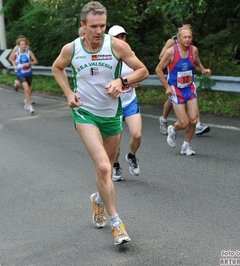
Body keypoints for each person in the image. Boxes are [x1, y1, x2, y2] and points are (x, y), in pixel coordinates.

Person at [52, 1, 148, 245]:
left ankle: (97, 200)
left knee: (103, 169)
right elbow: (57, 68)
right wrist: (68, 93)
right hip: (85, 114)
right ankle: (118, 225)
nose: (98, 31)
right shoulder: (71, 49)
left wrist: (122, 82)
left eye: (102, 26)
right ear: (82, 26)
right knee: (105, 167)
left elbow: (143, 71)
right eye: (93, 26)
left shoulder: (116, 45)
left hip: (112, 115)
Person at [155, 27, 212, 155]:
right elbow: (158, 70)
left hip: (189, 88)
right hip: (176, 89)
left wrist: (204, 70)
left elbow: (197, 64)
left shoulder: (194, 50)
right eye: (184, 37)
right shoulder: (171, 52)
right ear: (179, 39)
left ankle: (186, 145)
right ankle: (174, 130)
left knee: (193, 120)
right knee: (184, 123)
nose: (187, 40)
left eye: (189, 37)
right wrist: (167, 87)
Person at [107, 25, 142, 181]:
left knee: (137, 134)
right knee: (115, 145)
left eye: (123, 37)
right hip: (113, 106)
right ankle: (115, 166)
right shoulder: (106, 59)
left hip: (129, 101)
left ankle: (132, 156)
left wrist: (135, 81)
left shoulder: (130, 54)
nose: (121, 40)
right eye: (117, 37)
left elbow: (139, 72)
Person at [8, 37, 38, 114]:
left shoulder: (29, 52)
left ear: (26, 45)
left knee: (29, 89)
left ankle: (26, 101)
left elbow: (36, 61)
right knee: (27, 89)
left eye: (24, 44)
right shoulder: (16, 53)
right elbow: (11, 59)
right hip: (20, 73)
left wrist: (29, 63)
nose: (23, 46)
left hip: (29, 73)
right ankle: (30, 106)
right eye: (21, 44)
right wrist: (15, 65)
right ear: (19, 46)